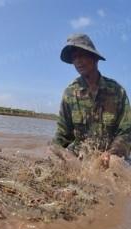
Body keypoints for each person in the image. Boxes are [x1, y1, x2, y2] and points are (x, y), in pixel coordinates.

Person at [53, 33, 131, 167]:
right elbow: (62, 135)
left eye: (81, 55)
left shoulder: (117, 91)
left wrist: (111, 153)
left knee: (117, 165)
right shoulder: (70, 94)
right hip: (80, 158)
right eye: (74, 58)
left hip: (111, 158)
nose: (77, 61)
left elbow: (127, 131)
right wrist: (53, 151)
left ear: (94, 58)